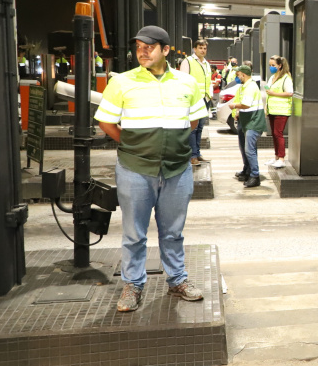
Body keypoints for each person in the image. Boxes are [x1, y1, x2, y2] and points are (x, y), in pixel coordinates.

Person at [94, 25, 208, 312]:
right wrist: (133, 145)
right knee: (134, 232)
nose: (142, 51)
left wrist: (170, 144)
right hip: (135, 169)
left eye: (149, 46)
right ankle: (133, 284)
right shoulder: (122, 82)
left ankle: (177, 280)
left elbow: (193, 122)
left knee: (173, 231)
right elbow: (106, 122)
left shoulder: (186, 82)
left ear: (166, 50)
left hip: (177, 169)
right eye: (139, 46)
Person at [229, 65, 268, 187]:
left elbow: (246, 104)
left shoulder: (250, 87)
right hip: (246, 121)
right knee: (246, 148)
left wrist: (234, 106)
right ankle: (248, 170)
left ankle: (255, 176)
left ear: (243, 75)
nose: (237, 76)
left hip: (253, 122)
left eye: (238, 74)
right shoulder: (244, 86)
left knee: (249, 150)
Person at [179, 39, 213, 165]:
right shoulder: (188, 61)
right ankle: (192, 155)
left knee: (200, 128)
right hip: (193, 100)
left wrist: (210, 95)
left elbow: (207, 81)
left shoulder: (206, 64)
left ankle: (197, 153)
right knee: (193, 128)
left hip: (205, 99)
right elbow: (183, 81)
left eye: (204, 48)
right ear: (194, 49)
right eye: (200, 48)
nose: (203, 50)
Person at [264, 55, 293, 168]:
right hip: (272, 110)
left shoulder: (286, 78)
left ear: (280, 65)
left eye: (273, 65)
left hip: (282, 110)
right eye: (270, 65)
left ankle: (281, 158)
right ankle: (276, 157)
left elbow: (290, 93)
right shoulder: (272, 77)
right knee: (274, 135)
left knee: (278, 134)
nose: (271, 67)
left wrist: (273, 93)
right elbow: (268, 91)